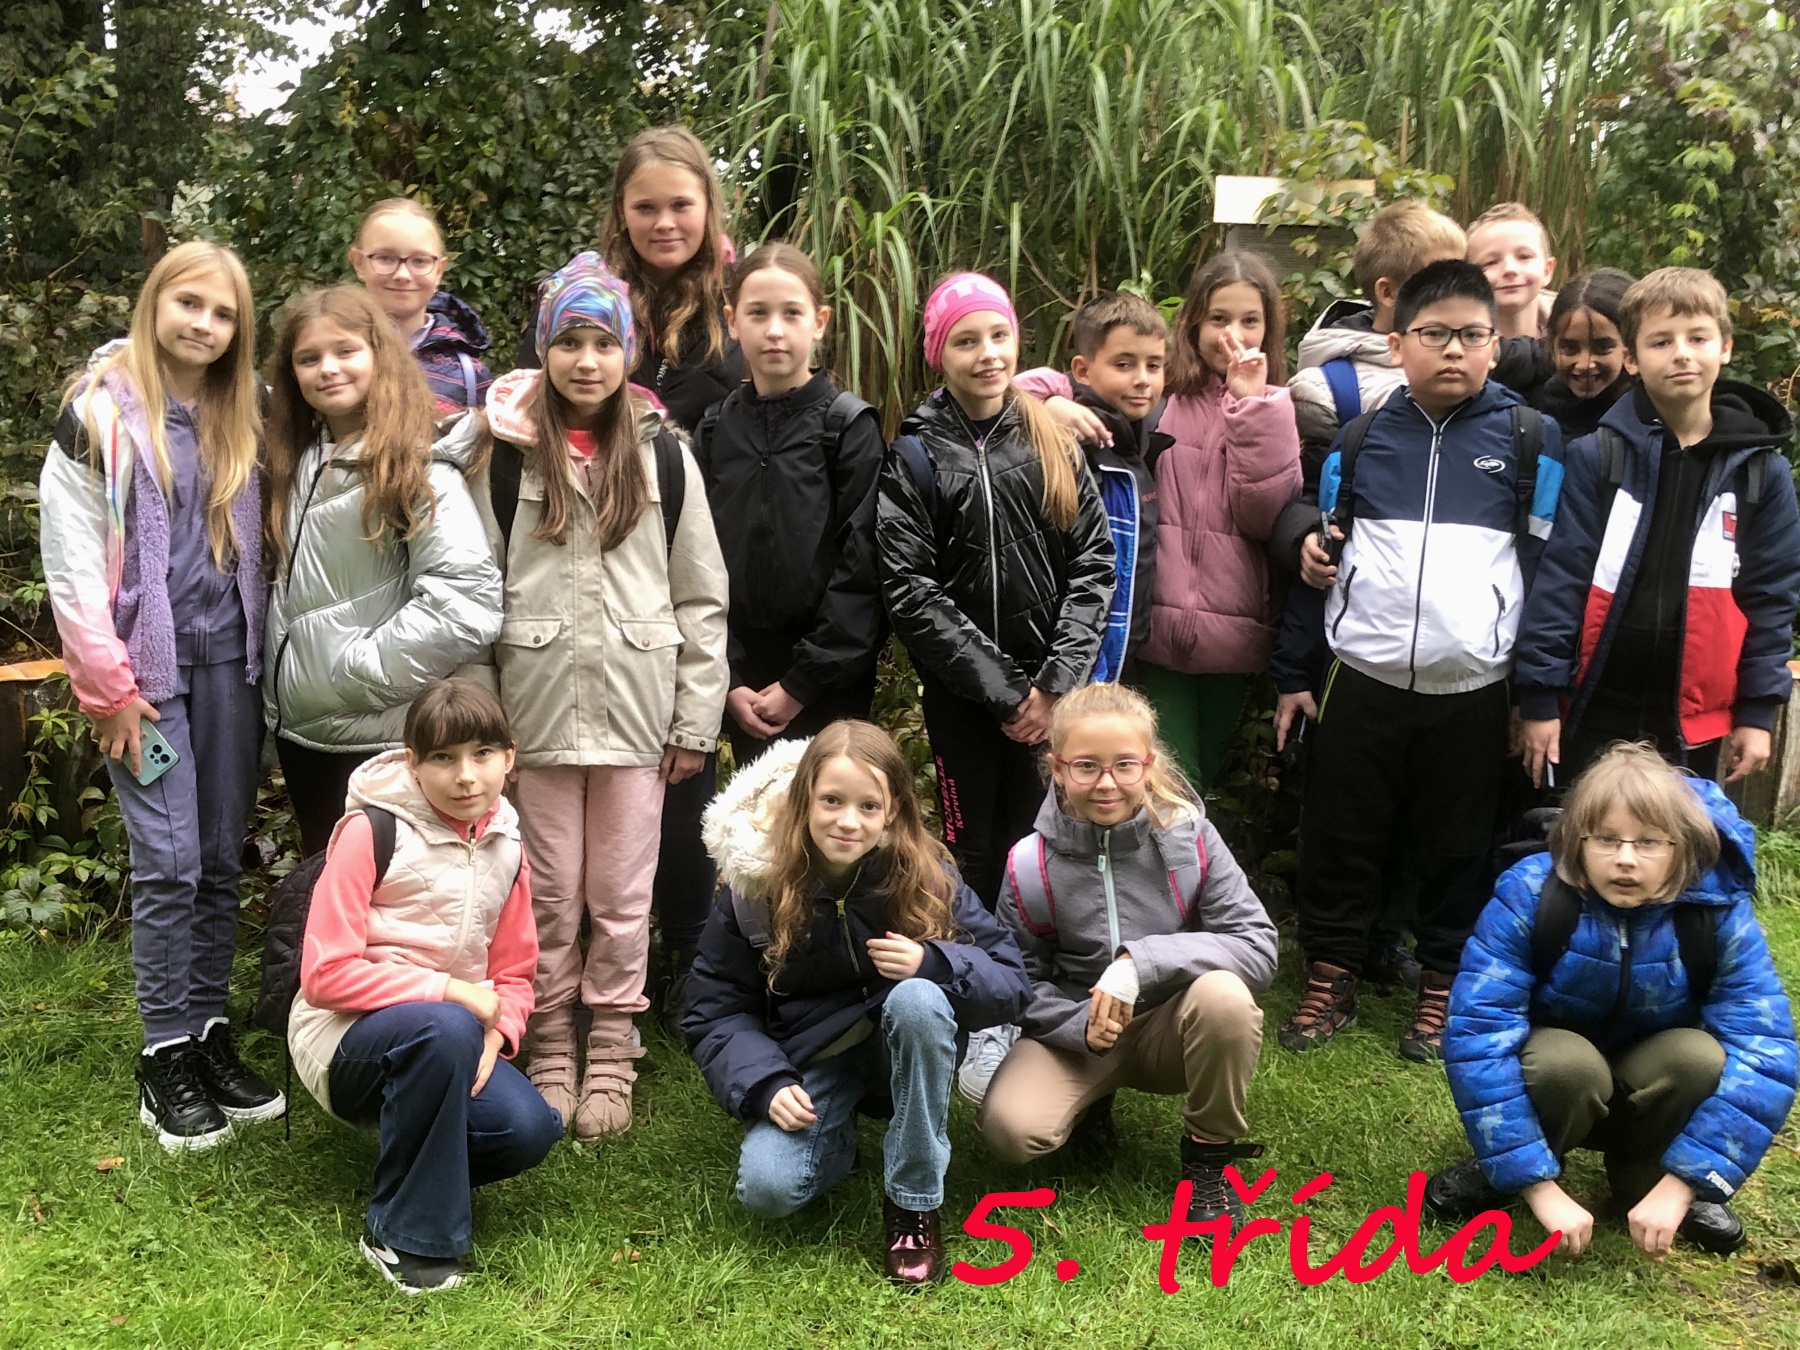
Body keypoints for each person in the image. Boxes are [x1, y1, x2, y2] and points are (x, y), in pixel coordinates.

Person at [1268, 259, 1564, 1062]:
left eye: (1472, 335)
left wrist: (1536, 696)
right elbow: (1321, 561)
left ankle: (1441, 984)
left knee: (1458, 842)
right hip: (1359, 677)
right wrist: (1294, 673)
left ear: (1495, 345)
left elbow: (1551, 576)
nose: (1454, 350)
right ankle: (1331, 975)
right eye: (1435, 334)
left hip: (1472, 687)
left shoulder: (1532, 442)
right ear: (1399, 345)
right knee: (1341, 832)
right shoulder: (1361, 440)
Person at [39, 240, 283, 1151]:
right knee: (169, 859)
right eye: (189, 303)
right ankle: (164, 1052)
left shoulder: (247, 408)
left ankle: (209, 1031)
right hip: (141, 679)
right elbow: (71, 561)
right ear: (154, 301)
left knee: (218, 856)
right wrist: (104, 687)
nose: (204, 324)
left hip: (231, 666)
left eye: (223, 314)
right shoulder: (98, 413)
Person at [482, 251, 728, 1140]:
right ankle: (552, 1043)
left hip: (637, 718)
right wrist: (487, 730)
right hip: (536, 717)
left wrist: (694, 720)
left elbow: (701, 597)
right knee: (548, 896)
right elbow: (474, 595)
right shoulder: (503, 457)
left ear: (629, 352)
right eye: (569, 342)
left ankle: (615, 1049)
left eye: (603, 343)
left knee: (623, 898)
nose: (586, 361)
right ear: (543, 350)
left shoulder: (665, 456)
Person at [520, 125, 746, 1018]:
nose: (664, 221)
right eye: (645, 206)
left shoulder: (738, 307)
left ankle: (687, 964)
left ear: (709, 208)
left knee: (682, 802)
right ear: (620, 210)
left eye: (680, 204)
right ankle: (574, 989)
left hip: (706, 573)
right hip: (601, 580)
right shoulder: (588, 301)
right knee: (601, 823)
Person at [683, 721, 1031, 1285]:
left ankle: (913, 1202)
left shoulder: (926, 877)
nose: (849, 821)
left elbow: (1012, 983)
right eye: (832, 801)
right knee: (768, 1191)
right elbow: (714, 1007)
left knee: (918, 999)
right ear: (804, 801)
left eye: (869, 806)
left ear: (892, 812)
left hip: (907, 1047)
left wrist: (936, 963)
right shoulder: (756, 889)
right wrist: (764, 1082)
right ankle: (838, 1137)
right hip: (815, 1057)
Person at [1428, 743, 1797, 1260]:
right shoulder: (1529, 896)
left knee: (1699, 1058)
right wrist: (1536, 1186)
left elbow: (1767, 1051)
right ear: (1576, 839)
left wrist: (1685, 1183)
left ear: (1683, 847)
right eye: (1606, 839)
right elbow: (1478, 1032)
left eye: (1648, 842)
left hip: (1653, 1076)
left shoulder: (1716, 914)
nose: (1625, 858)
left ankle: (1647, 1181)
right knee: (1565, 1066)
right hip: (1560, 1077)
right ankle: (1510, 1172)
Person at [290, 679, 562, 1294]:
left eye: (482, 754)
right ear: (413, 763)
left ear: (509, 758)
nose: (465, 776)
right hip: (342, 1038)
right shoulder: (370, 831)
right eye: (443, 757)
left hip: (452, 1038)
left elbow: (515, 973)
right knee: (445, 1025)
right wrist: (452, 992)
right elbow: (324, 975)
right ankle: (402, 1236)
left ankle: (416, 1159)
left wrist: (500, 1034)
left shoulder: (508, 845)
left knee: (529, 1129)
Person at [973, 683, 1276, 1233]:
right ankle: (1090, 1104)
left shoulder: (1191, 838)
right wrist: (1077, 1028)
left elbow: (1256, 944)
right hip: (1078, 1031)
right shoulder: (1029, 863)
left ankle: (1209, 1157)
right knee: (1010, 1132)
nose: (1107, 783)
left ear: (1148, 764)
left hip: (1174, 1026)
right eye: (1086, 766)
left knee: (1225, 997)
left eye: (1124, 765)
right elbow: (1017, 981)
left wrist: (1139, 963)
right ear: (1057, 767)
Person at [877, 271, 1116, 910]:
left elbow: (1093, 564)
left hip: (1050, 693)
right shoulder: (916, 454)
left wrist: (1054, 684)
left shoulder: (1052, 441)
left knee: (1038, 844)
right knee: (971, 848)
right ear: (939, 355)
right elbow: (909, 588)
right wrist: (1006, 692)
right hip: (964, 699)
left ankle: (1035, 961)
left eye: (999, 335)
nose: (987, 354)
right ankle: (973, 957)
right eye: (966, 341)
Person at [1517, 267, 1800, 789]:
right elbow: (1562, 579)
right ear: (1632, 358)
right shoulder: (1598, 457)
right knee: (1579, 828)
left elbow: (1770, 597)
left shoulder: (1762, 473)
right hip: (1594, 699)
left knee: (1675, 834)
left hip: (1694, 714)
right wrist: (1539, 696)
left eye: (1698, 338)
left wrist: (1757, 711)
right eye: (1661, 341)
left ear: (1726, 347)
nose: (1681, 354)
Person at [1031, 255, 1302, 789]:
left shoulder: (1274, 407)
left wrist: (1251, 406)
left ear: (1268, 328)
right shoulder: (1156, 394)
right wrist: (1043, 404)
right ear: (1194, 323)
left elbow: (1265, 516)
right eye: (1219, 318)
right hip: (1155, 637)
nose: (1233, 334)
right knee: (1174, 785)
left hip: (1232, 639)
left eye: (1249, 320)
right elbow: (1038, 385)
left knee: (1192, 782)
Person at [263, 286, 503, 858]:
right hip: (305, 740)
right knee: (329, 894)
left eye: (345, 351)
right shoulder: (299, 461)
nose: (328, 368)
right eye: (308, 358)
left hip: (382, 739)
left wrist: (352, 675)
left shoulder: (417, 466)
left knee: (395, 900)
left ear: (380, 356)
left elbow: (466, 604)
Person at [693, 243, 886, 769]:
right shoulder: (714, 429)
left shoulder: (848, 427)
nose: (774, 330)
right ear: (732, 322)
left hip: (830, 678)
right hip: (744, 679)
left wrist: (803, 683)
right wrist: (729, 678)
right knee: (758, 811)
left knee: (829, 804)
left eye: (791, 313)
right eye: (757, 313)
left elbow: (864, 569)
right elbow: (694, 560)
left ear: (819, 322)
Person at [1015, 291, 1172, 684]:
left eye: (1154, 365)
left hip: (1121, 655)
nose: (1142, 379)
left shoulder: (1140, 440)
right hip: (1066, 661)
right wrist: (1047, 402)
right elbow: (994, 404)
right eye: (1124, 364)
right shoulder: (1068, 437)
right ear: (1082, 371)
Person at [348, 197, 495, 415]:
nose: (402, 275)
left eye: (419, 261)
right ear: (359, 263)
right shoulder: (331, 358)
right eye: (385, 258)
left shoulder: (469, 375)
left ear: (439, 271)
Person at [1533, 268, 1637, 441]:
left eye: (1602, 348)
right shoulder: (1536, 413)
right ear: (1552, 343)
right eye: (1570, 348)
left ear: (1631, 345)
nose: (1584, 364)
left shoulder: (1653, 415)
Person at [1467, 201, 1557, 340]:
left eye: (1524, 256)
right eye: (1491, 262)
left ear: (1547, 270)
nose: (1510, 269)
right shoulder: (1451, 344)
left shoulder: (1576, 332)